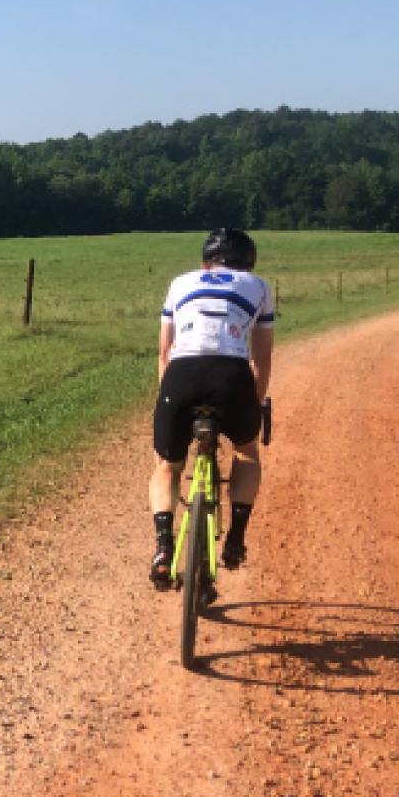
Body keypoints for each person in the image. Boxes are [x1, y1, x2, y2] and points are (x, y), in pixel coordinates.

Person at [149, 228, 274, 590]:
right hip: (231, 378)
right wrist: (253, 404)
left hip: (181, 375)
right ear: (248, 263)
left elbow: (164, 353)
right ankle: (235, 537)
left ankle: (162, 545)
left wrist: (169, 402)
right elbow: (261, 360)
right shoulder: (258, 286)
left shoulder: (179, 283)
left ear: (205, 262)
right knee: (246, 452)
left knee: (167, 464)